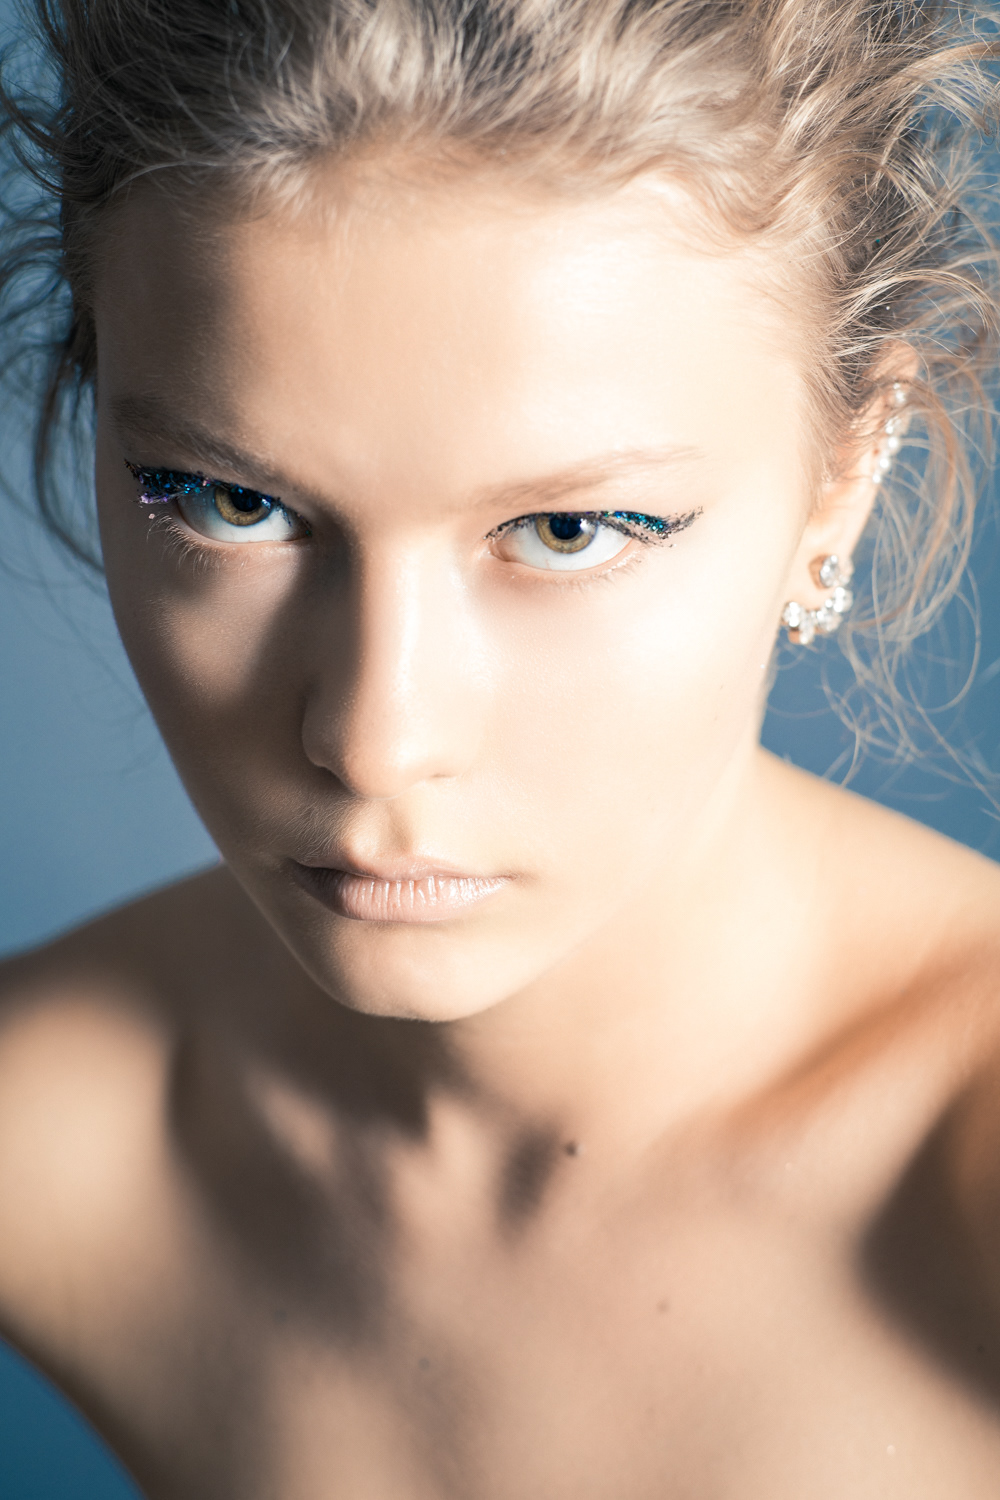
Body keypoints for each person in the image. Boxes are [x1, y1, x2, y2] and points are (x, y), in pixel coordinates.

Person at [2, 0, 1000, 1493]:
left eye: (570, 529)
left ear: (844, 477)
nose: (375, 739)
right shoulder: (50, 1138)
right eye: (228, 501)